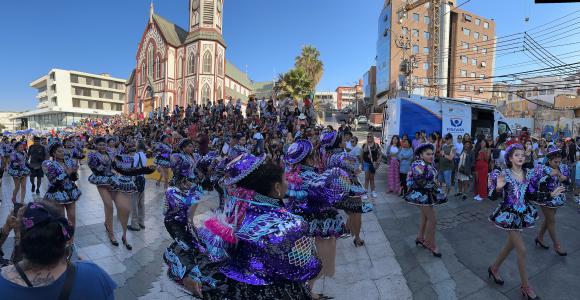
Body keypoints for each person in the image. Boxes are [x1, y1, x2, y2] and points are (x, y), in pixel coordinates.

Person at [165, 154, 321, 298]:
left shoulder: (237, 211)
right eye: (285, 180)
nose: (288, 183)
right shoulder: (291, 224)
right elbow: (306, 269)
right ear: (277, 187)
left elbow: (183, 245)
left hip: (235, 288)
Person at [0, 202, 116, 299]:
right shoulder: (94, 276)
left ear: (23, 238)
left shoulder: (3, 284)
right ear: (63, 239)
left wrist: (9, 230)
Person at [284, 140, 351, 299]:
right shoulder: (311, 176)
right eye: (313, 155)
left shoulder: (293, 175)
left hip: (300, 222)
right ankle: (306, 292)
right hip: (319, 223)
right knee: (321, 261)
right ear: (307, 159)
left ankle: (307, 291)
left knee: (304, 259)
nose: (316, 157)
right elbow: (328, 196)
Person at [488, 144, 546, 300]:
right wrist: (499, 189)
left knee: (511, 246)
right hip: (508, 215)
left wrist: (549, 194)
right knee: (522, 249)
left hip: (523, 214)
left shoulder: (528, 173)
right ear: (510, 158)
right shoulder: (503, 174)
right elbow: (492, 196)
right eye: (517, 155)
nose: (521, 157)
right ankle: (525, 286)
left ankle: (493, 268)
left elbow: (531, 196)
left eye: (522, 155)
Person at [529, 145, 569, 256]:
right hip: (545, 198)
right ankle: (557, 245)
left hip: (556, 198)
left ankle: (539, 237)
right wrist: (549, 176)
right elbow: (537, 183)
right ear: (549, 160)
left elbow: (567, 182)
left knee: (548, 220)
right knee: (551, 221)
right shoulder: (541, 169)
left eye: (559, 162)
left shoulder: (561, 168)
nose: (558, 164)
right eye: (555, 162)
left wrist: (564, 178)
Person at [42, 141, 82, 237]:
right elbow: (54, 181)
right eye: (59, 152)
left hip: (70, 192)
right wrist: (66, 173)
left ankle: (71, 239)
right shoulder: (49, 164)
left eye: (62, 151)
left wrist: (74, 173)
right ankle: (63, 238)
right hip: (57, 193)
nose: (62, 153)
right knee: (61, 218)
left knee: (72, 217)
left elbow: (74, 179)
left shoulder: (69, 162)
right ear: (53, 154)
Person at [128, 140, 148, 231]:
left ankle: (134, 224)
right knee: (141, 202)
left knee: (134, 203)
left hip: (135, 180)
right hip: (142, 179)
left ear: (138, 146)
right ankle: (141, 221)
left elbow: (134, 168)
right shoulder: (144, 155)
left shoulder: (136, 155)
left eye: (135, 144)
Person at [361, 133, 381, 198]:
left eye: (370, 136)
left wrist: (378, 161)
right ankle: (365, 192)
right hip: (366, 163)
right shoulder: (365, 145)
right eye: (368, 137)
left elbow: (380, 154)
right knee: (366, 178)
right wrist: (362, 164)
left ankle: (373, 191)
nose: (369, 138)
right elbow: (362, 153)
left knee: (372, 178)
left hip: (373, 164)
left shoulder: (376, 145)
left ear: (373, 137)